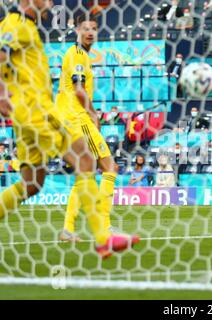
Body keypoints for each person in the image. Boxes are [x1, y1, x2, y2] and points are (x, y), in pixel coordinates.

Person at [0, 1, 138, 259]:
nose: (51, 3)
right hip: (43, 113)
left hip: (28, 116)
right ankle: (103, 236)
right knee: (88, 161)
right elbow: (1, 53)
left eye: (93, 28)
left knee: (32, 184)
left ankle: (77, 230)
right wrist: (2, 93)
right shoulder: (17, 26)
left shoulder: (26, 27)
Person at [55, 14, 123, 244]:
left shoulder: (81, 55)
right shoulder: (76, 55)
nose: (90, 32)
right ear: (77, 30)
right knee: (110, 167)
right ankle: (104, 227)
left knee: (86, 173)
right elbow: (78, 89)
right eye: (86, 28)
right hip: (77, 119)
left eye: (94, 28)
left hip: (69, 120)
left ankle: (68, 229)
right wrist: (93, 114)